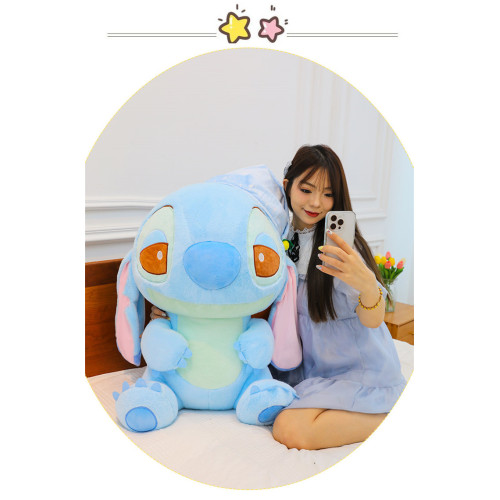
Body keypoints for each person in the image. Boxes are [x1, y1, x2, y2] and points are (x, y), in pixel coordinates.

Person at [270, 144, 407, 450]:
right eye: (306, 189)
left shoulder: (342, 248)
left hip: (357, 369)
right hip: (313, 371)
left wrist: (368, 285)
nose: (316, 203)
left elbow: (373, 320)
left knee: (290, 430)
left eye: (328, 194)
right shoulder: (280, 237)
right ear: (288, 186)